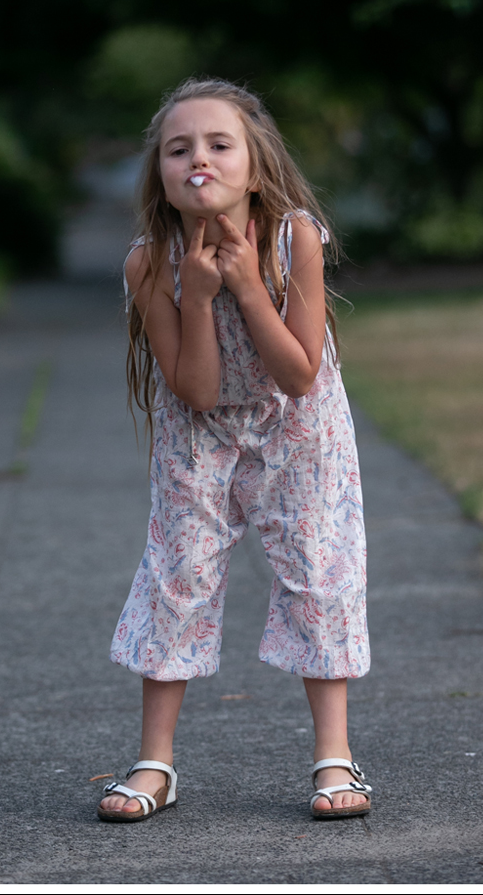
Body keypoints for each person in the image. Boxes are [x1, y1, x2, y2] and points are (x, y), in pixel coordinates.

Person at [97, 79, 370, 823]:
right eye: (179, 149)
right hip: (200, 434)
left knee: (319, 572)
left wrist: (248, 287)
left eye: (220, 144)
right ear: (160, 173)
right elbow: (197, 391)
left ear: (255, 165)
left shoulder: (293, 239)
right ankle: (155, 763)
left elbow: (299, 373)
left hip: (297, 426)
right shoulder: (149, 263)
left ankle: (335, 755)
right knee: (177, 574)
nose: (199, 160)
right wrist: (194, 296)